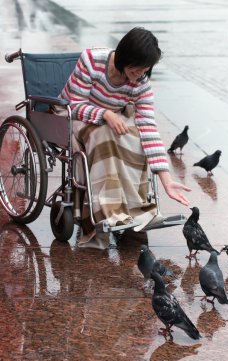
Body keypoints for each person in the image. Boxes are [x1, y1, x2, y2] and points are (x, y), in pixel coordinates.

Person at [58, 27, 191, 245]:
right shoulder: (92, 60)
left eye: (145, 69)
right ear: (124, 56)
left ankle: (137, 215)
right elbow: (75, 104)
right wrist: (105, 114)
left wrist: (166, 180)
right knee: (104, 138)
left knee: (136, 140)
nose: (139, 73)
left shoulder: (141, 82)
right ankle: (107, 214)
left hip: (112, 117)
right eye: (136, 67)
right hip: (74, 114)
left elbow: (148, 126)